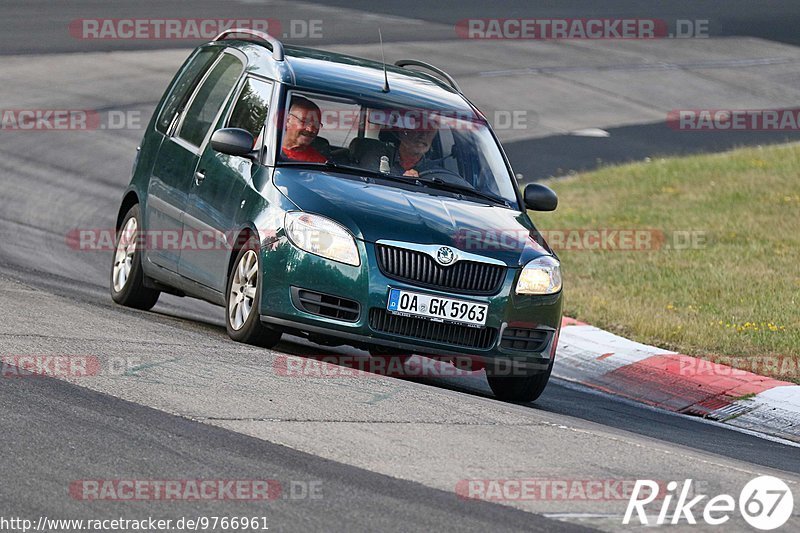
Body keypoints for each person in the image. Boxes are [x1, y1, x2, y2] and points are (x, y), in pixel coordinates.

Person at [281, 96, 327, 163]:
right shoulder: (267, 150)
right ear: (288, 120)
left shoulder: (319, 162)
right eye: (305, 122)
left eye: (316, 124)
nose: (310, 129)